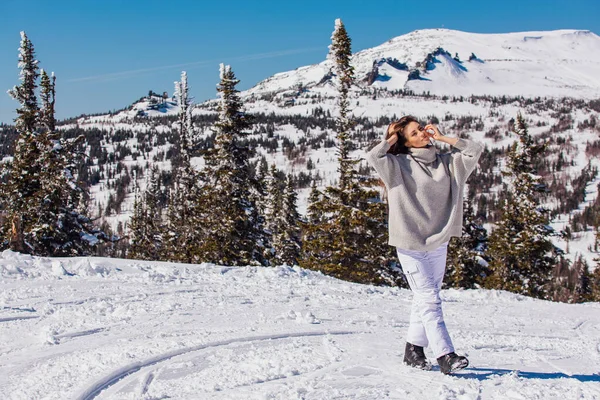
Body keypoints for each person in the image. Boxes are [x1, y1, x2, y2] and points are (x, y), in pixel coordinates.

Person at [365, 115, 483, 374]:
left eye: (422, 129)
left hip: (438, 242)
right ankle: (445, 354)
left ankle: (413, 349)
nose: (423, 134)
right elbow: (374, 157)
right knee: (429, 299)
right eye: (415, 132)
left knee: (426, 298)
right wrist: (391, 139)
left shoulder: (448, 163)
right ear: (405, 141)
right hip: (410, 244)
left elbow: (475, 151)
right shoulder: (397, 165)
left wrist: (442, 138)